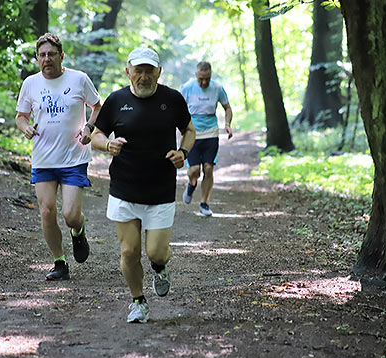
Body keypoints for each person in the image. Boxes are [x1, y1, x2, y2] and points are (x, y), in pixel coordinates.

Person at [90, 47, 196, 323]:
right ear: (129, 72)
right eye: (139, 70)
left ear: (159, 72)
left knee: (156, 252)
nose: (144, 76)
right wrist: (107, 145)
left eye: (150, 70)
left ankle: (159, 268)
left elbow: (189, 130)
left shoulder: (172, 99)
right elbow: (98, 134)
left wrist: (183, 153)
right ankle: (138, 302)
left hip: (160, 190)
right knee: (128, 251)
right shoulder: (116, 100)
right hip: (124, 188)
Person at [15, 32, 102, 281]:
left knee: (71, 215)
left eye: (51, 54)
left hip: (74, 157)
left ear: (61, 56)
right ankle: (59, 262)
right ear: (37, 58)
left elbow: (97, 106)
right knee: (46, 211)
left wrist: (89, 128)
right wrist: (25, 128)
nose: (46, 59)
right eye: (42, 55)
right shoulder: (30, 84)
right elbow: (21, 116)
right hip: (43, 158)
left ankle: (78, 231)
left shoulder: (79, 79)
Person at [180, 61, 233, 216]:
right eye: (201, 79)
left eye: (207, 79)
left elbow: (227, 107)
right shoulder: (187, 88)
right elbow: (178, 109)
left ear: (211, 76)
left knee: (208, 168)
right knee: (194, 171)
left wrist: (228, 123)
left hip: (211, 133)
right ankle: (191, 184)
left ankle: (204, 204)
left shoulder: (217, 88)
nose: (204, 83)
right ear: (196, 75)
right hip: (192, 134)